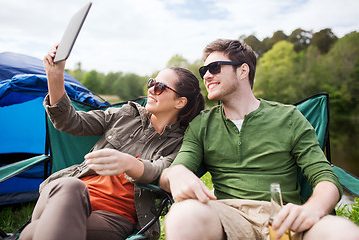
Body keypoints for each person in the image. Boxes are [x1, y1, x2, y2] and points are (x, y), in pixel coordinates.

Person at [159, 39, 359, 240]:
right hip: (227, 217)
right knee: (183, 215)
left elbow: (325, 176)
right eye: (204, 71)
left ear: (243, 71)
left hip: (284, 218)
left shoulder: (289, 117)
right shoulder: (202, 124)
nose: (207, 75)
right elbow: (173, 172)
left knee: (342, 231)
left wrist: (313, 209)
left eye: (215, 67)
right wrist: (175, 173)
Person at [19, 45, 205, 240]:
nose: (151, 89)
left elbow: (162, 172)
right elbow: (70, 122)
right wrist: (55, 75)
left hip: (113, 216)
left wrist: (129, 163)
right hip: (64, 195)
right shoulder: (124, 115)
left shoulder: (181, 143)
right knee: (71, 186)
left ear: (180, 102)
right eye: (152, 83)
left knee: (33, 233)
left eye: (160, 87)